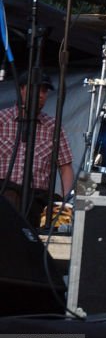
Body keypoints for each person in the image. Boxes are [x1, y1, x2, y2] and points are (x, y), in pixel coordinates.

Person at [0, 71, 73, 224]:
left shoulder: (53, 127)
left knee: (50, 209)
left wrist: (67, 203)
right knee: (10, 198)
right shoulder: (2, 120)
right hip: (4, 191)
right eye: (35, 89)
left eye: (44, 91)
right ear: (21, 89)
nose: (40, 95)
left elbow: (65, 167)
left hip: (36, 198)